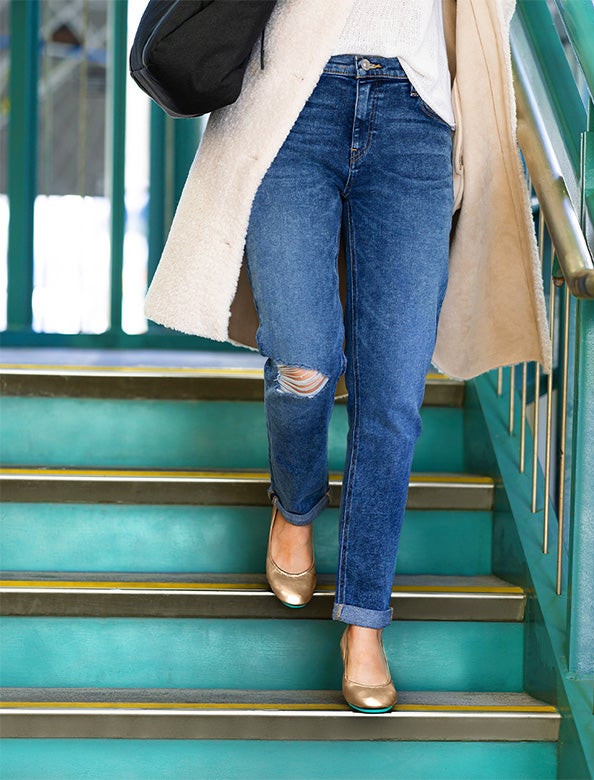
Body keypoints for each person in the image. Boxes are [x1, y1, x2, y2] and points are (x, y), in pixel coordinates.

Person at [145, 0, 550, 714]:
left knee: (392, 397)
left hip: (417, 110)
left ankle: (365, 622)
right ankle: (295, 504)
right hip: (292, 104)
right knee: (302, 361)